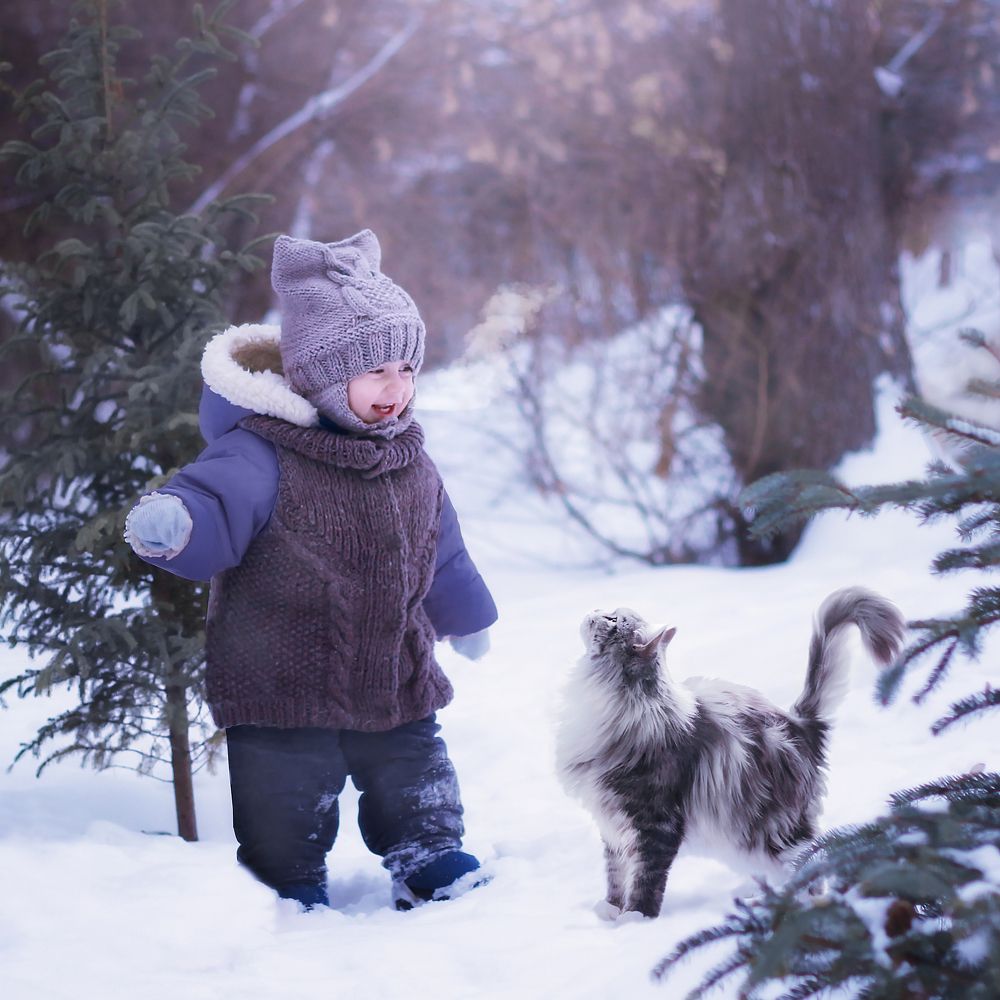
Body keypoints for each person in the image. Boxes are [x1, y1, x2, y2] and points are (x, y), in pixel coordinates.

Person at [124, 230, 498, 911]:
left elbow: (440, 547)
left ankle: (430, 857)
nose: (397, 388)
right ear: (325, 375)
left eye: (407, 369)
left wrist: (465, 616)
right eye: (376, 371)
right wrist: (176, 525)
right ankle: (288, 882)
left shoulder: (410, 458)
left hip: (394, 667)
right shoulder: (262, 454)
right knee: (283, 789)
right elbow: (211, 505)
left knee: (415, 771)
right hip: (279, 673)